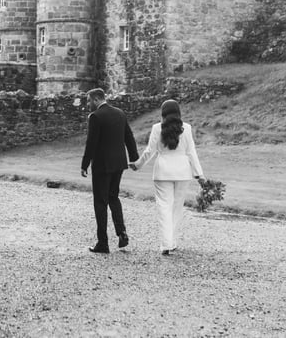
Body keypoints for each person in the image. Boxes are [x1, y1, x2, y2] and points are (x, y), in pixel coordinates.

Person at [132, 99, 203, 255]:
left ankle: (166, 244)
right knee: (176, 208)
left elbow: (149, 151)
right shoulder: (187, 128)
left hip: (163, 171)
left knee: (164, 207)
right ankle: (172, 242)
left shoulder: (157, 128)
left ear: (163, 113)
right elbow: (191, 151)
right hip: (182, 172)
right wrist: (199, 174)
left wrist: (138, 165)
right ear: (178, 113)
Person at [80, 88, 139, 254]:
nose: (88, 104)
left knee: (100, 202)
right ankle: (122, 232)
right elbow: (129, 137)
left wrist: (84, 164)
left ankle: (103, 243)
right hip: (119, 163)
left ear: (96, 99)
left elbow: (91, 143)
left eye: (89, 100)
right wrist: (134, 158)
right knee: (113, 197)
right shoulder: (120, 113)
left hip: (102, 165)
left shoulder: (96, 116)